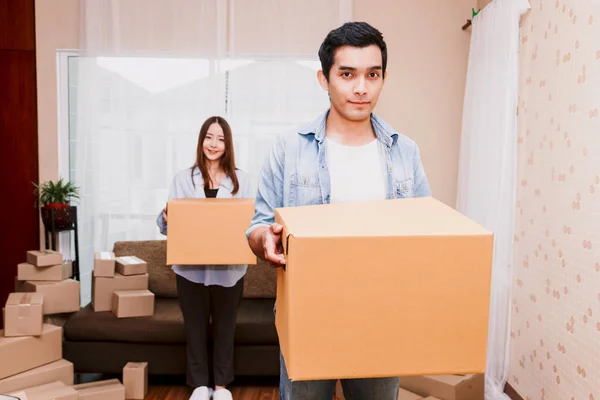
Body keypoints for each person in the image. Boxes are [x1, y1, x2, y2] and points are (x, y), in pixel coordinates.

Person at [246, 22, 432, 400]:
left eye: (372, 74)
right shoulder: (289, 149)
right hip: (308, 317)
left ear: (382, 78)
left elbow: (426, 231)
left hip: (382, 317)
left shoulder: (405, 152)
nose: (361, 87)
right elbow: (258, 227)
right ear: (324, 78)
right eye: (347, 74)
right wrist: (265, 240)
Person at [158, 116, 253, 400]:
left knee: (225, 329)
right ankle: (199, 385)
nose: (214, 144)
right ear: (201, 140)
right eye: (209, 137)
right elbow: (167, 227)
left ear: (228, 144)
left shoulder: (242, 181)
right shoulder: (182, 179)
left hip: (229, 271)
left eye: (221, 139)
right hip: (190, 271)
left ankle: (222, 387)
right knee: (195, 329)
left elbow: (251, 223)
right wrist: (165, 217)